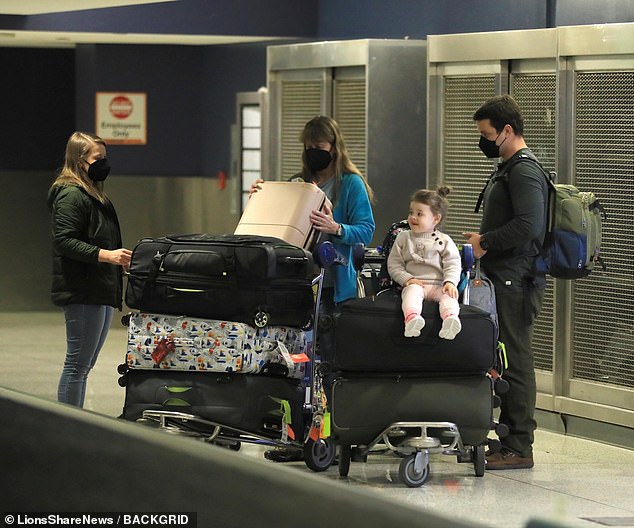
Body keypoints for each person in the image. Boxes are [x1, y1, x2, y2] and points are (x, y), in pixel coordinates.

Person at [251, 115, 375, 462]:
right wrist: (262, 196)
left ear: (333, 147)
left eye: (319, 147)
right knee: (297, 366)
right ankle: (296, 437)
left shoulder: (350, 184)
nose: (313, 153)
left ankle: (336, 437)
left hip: (335, 290)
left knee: (332, 366)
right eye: (308, 148)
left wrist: (336, 227)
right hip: (300, 289)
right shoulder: (299, 183)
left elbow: (366, 230)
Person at [463, 95, 548, 470]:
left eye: (486, 134)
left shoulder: (524, 170)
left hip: (516, 278)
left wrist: (486, 243)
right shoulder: (509, 167)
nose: (483, 141)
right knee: (505, 356)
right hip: (503, 278)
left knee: (515, 358)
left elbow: (530, 225)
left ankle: (519, 445)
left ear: (507, 131)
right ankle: (509, 437)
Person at [48, 131, 132, 408]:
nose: (103, 164)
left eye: (105, 158)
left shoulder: (94, 194)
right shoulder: (71, 195)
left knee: (85, 364)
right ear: (79, 159)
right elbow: (64, 241)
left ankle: (74, 421)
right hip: (83, 289)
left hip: (100, 288)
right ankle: (68, 425)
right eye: (98, 158)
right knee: (77, 364)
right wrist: (107, 255)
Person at [387, 187, 462, 339]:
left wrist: (450, 282)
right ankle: (412, 319)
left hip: (439, 284)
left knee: (449, 297)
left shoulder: (444, 240)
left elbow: (453, 263)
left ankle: (450, 319)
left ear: (436, 219)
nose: (413, 217)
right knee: (410, 294)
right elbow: (394, 264)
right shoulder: (403, 238)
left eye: (419, 214)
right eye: (411, 212)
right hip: (416, 283)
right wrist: (407, 279)